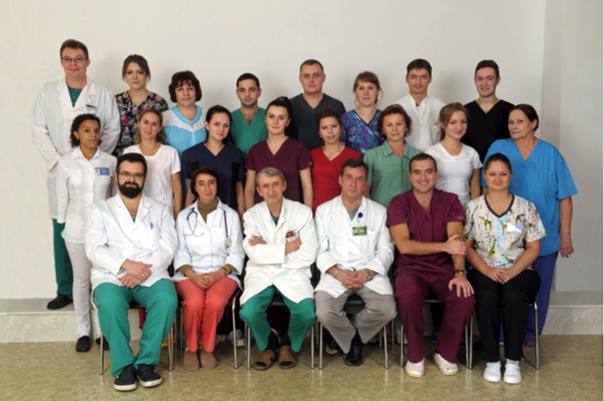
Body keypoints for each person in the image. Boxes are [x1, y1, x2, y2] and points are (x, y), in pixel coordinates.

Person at [32, 38, 120, 310]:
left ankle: (99, 286)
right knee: (62, 225)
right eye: (68, 59)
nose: (73, 64)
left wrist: (92, 159)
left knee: (100, 228)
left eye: (78, 58)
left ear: (87, 61)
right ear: (61, 62)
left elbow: (112, 129)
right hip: (61, 169)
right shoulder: (48, 92)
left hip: (96, 171)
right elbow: (39, 128)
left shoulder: (101, 93)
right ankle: (65, 289)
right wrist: (60, 162)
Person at [484, 104, 578, 345]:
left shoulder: (550, 154)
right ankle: (503, 337)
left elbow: (564, 197)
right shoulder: (499, 148)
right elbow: (487, 190)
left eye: (520, 121)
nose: (514, 126)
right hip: (507, 236)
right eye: (511, 122)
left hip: (545, 235)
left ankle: (530, 336)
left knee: (540, 289)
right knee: (505, 287)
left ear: (533, 123)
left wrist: (565, 234)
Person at [85, 153, 177, 391]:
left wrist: (141, 271)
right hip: (112, 274)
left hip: (151, 273)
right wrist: (126, 264)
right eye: (126, 174)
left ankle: (146, 362)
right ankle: (124, 365)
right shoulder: (100, 210)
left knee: (167, 300)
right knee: (109, 302)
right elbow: (94, 249)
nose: (131, 179)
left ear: (144, 178)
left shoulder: (159, 209)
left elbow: (169, 246)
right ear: (117, 176)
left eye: (137, 175)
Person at [387, 153, 475, 378]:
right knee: (407, 294)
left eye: (428, 171)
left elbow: (456, 241)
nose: (423, 177)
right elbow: (404, 246)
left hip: (443, 268)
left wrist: (460, 272)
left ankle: (445, 352)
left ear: (436, 175)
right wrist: (443, 246)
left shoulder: (450, 201)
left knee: (464, 296)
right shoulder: (399, 203)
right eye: (417, 172)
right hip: (411, 268)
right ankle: (415, 354)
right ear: (410, 176)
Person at [465, 153, 545, 384]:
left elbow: (534, 247)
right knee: (487, 295)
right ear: (484, 177)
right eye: (492, 174)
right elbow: (467, 247)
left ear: (510, 175)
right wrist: (488, 271)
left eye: (503, 174)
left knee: (513, 295)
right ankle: (491, 360)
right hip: (483, 269)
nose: (497, 179)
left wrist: (513, 271)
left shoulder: (525, 207)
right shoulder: (473, 208)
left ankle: (512, 361)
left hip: (520, 270)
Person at [315, 159, 396, 366]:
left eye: (359, 179)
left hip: (369, 273)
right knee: (324, 312)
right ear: (340, 180)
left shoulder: (379, 211)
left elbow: (386, 250)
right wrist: (337, 272)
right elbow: (319, 249)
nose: (354, 183)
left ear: (365, 183)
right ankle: (355, 341)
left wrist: (367, 273)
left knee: (387, 310)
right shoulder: (324, 210)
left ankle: (349, 334)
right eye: (349, 178)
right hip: (336, 272)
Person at [239, 167, 317, 370]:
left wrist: (269, 251)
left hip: (294, 273)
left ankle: (288, 344)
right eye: (265, 186)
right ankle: (270, 344)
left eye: (275, 184)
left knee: (306, 312)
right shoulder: (251, 215)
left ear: (284, 185)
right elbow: (253, 252)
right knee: (249, 312)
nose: (271, 190)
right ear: (258, 190)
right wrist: (288, 248)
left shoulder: (302, 212)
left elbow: (308, 253)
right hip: (261, 274)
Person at [56, 114, 116, 352]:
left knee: (100, 280)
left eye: (96, 130)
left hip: (103, 232)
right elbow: (62, 198)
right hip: (76, 230)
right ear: (76, 134)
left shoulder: (110, 161)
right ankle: (83, 332)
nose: (93, 135)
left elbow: (114, 198)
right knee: (81, 281)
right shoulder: (66, 162)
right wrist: (63, 226)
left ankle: (102, 332)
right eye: (87, 130)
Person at [173, 168, 244, 370]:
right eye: (201, 183)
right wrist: (192, 275)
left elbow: (237, 251)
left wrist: (219, 274)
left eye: (211, 182)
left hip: (223, 272)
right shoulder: (184, 216)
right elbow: (180, 251)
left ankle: (207, 347)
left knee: (215, 302)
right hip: (190, 273)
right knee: (194, 303)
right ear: (194, 188)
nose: (207, 188)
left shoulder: (230, 215)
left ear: (217, 185)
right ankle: (191, 348)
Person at [244, 97, 312, 209]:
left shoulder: (299, 148)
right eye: (271, 116)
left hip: (292, 212)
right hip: (261, 213)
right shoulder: (255, 151)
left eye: (281, 118)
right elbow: (249, 188)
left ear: (288, 122)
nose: (275, 122)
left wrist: (307, 214)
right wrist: (249, 216)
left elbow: (306, 186)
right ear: (265, 119)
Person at [182, 105, 245, 216]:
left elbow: (239, 189)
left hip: (229, 215)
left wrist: (241, 215)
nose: (221, 129)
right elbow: (191, 191)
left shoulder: (236, 155)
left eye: (226, 125)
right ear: (207, 125)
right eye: (216, 124)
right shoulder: (191, 154)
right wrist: (186, 217)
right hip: (200, 215)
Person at [123, 109, 182, 217]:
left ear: (159, 128)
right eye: (146, 122)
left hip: (165, 211)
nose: (149, 128)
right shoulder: (129, 152)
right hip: (137, 211)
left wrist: (177, 216)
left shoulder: (170, 152)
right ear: (138, 123)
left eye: (154, 124)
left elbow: (177, 188)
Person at [364, 104, 421, 207]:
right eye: (389, 125)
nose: (394, 129)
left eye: (399, 124)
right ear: (382, 129)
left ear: (406, 127)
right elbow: (364, 189)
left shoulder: (418, 156)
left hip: (411, 213)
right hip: (381, 213)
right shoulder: (371, 156)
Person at [425, 103, 482, 206]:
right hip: (440, 209)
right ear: (443, 124)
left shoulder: (472, 153)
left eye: (463, 122)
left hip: (465, 209)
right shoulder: (431, 153)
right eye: (453, 122)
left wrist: (473, 210)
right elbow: (426, 186)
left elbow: (475, 187)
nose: (459, 127)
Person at [114, 54, 169, 157]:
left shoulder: (159, 102)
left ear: (147, 75)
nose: (135, 77)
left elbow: (163, 135)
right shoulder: (116, 101)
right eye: (130, 72)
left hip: (151, 157)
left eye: (140, 72)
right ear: (124, 76)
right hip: (121, 158)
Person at [310, 109, 361, 211]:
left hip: (344, 212)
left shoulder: (354, 155)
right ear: (319, 133)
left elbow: (360, 188)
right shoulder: (311, 154)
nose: (330, 131)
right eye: (324, 128)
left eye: (334, 126)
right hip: (318, 212)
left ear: (341, 129)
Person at [463, 60, 513, 162]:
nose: (484, 83)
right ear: (475, 81)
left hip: (500, 169)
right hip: (470, 168)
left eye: (489, 78)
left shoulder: (511, 110)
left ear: (498, 80)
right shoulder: (464, 111)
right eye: (480, 79)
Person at [290, 59, 346, 149]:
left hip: (330, 156)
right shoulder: (289, 106)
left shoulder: (337, 106)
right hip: (297, 157)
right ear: (300, 79)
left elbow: (343, 140)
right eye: (306, 76)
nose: (311, 80)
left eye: (316, 75)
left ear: (323, 77)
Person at [396, 59, 445, 151]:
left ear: (430, 79)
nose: (418, 82)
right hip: (404, 158)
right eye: (413, 77)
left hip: (434, 158)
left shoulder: (441, 107)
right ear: (407, 79)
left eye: (423, 77)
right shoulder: (397, 107)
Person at [162, 70, 206, 158]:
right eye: (180, 89)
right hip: (175, 166)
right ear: (174, 92)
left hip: (205, 166)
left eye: (190, 88)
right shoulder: (164, 117)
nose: (186, 93)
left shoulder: (207, 115)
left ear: (196, 91)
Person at [341, 71, 384, 153]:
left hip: (381, 161)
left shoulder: (385, 118)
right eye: (361, 88)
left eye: (370, 88)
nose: (366, 93)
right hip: (352, 161)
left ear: (377, 91)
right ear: (355, 92)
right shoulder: (346, 119)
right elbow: (340, 150)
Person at [231, 73, 267, 155]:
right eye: (242, 90)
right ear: (237, 93)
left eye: (252, 89)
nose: (247, 94)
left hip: (264, 162)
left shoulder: (270, 116)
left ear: (259, 92)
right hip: (236, 162)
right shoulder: (229, 118)